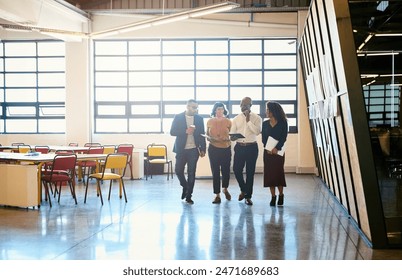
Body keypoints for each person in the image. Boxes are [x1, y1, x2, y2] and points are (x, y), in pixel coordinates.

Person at [170, 99, 206, 204]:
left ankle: (189, 196)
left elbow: (202, 134)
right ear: (187, 106)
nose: (195, 109)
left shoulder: (199, 119)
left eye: (196, 107)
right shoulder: (178, 117)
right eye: (193, 107)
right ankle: (185, 187)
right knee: (178, 171)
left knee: (191, 173)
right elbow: (172, 132)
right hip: (181, 149)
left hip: (194, 150)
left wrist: (203, 149)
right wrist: (185, 131)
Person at [230, 97, 262, 206]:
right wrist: (232, 137)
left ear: (250, 106)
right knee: (236, 169)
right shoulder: (236, 118)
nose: (242, 107)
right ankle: (244, 190)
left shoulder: (257, 118)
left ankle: (248, 197)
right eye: (241, 105)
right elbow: (233, 132)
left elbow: (257, 132)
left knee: (250, 173)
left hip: (251, 148)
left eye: (245, 105)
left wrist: (248, 121)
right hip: (239, 147)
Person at [261, 101, 288, 206]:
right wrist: (267, 148)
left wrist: (277, 148)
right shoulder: (265, 124)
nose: (266, 111)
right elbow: (263, 138)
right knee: (269, 175)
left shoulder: (283, 122)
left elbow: (283, 137)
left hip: (279, 152)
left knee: (278, 174)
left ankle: (281, 194)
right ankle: (273, 196)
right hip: (267, 152)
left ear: (273, 110)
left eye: (268, 109)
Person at [206, 102, 232, 204]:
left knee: (225, 171)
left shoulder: (228, 121)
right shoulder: (209, 121)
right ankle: (217, 195)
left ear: (224, 110)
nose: (220, 111)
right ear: (214, 110)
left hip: (225, 148)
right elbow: (207, 135)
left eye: (221, 109)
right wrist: (211, 138)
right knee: (215, 172)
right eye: (217, 109)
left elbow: (232, 135)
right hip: (213, 149)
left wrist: (226, 138)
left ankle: (225, 189)